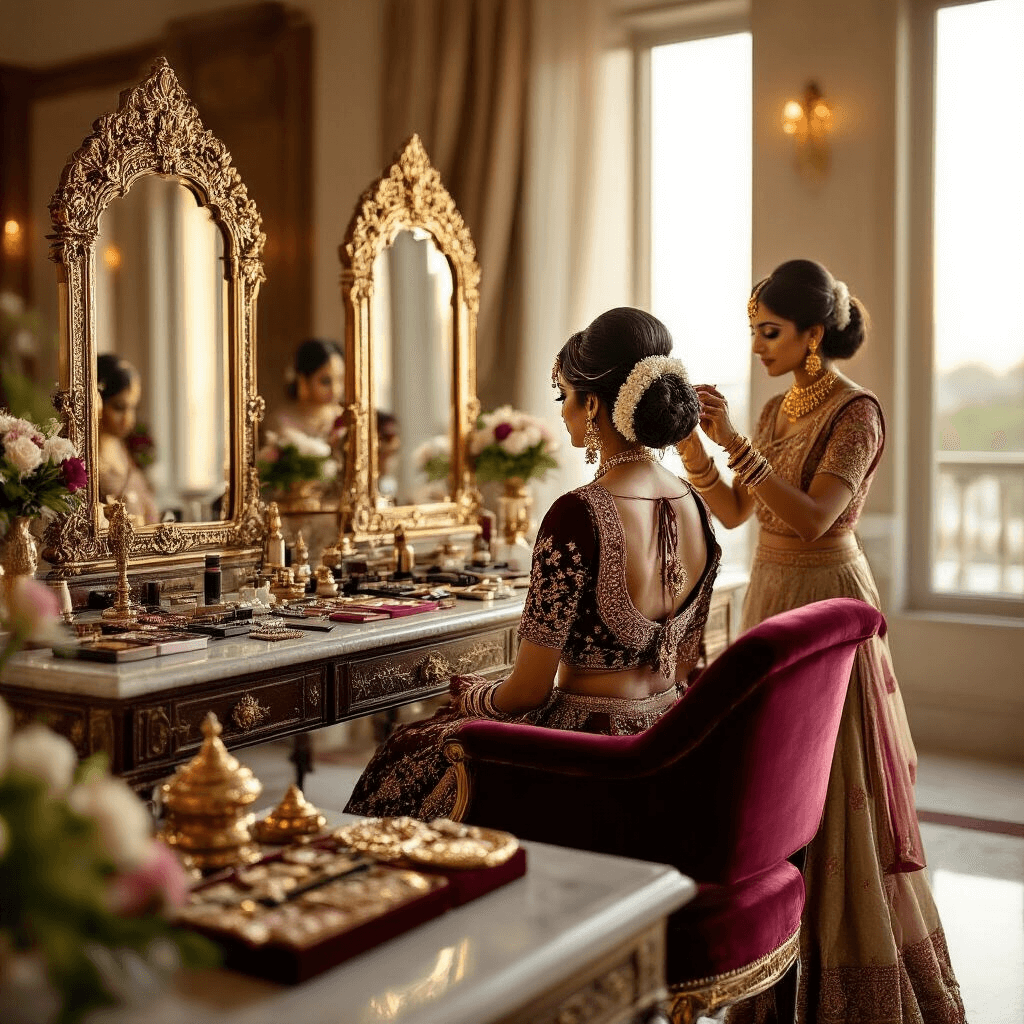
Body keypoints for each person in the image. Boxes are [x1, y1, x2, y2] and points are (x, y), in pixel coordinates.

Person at [677, 260, 964, 1023]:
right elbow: (741, 514)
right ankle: (769, 969)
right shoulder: (774, 411)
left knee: (836, 783)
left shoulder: (855, 412)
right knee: (770, 781)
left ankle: (842, 976)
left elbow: (810, 518)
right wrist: (700, 450)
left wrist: (735, 438)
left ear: (813, 334)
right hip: (771, 591)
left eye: (770, 332)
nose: (758, 346)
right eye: (753, 332)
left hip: (826, 596)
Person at [345, 307, 721, 819]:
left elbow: (526, 693)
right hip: (663, 739)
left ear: (592, 405)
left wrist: (475, 697)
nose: (562, 411)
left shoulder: (578, 513)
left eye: (564, 396)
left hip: (587, 750)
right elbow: (682, 664)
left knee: (405, 750)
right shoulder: (695, 504)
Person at [96, 354, 159, 527]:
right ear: (97, 403)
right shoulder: (86, 459)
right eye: (118, 407)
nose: (128, 419)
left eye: (133, 407)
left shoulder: (124, 449)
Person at [274, 338, 345, 441]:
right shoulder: (282, 422)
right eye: (325, 381)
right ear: (304, 381)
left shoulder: (345, 420)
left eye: (340, 379)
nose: (335, 389)